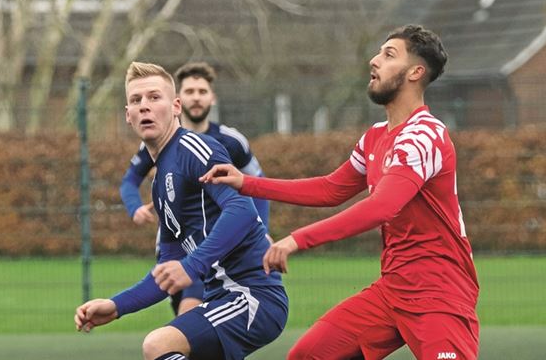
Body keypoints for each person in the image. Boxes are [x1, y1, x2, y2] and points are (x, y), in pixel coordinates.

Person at [201, 25, 480, 360]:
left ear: (415, 73)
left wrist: (297, 238)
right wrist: (247, 183)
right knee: (307, 355)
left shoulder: (424, 136)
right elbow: (331, 188)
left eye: (389, 55)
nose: (374, 61)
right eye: (378, 52)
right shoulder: (376, 137)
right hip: (393, 291)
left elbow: (381, 207)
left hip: (441, 294)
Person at [74, 62, 287, 360]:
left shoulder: (193, 148)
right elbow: (167, 271)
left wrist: (192, 266)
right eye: (136, 101)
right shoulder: (160, 186)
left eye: (154, 97)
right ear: (127, 115)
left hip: (251, 296)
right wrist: (116, 306)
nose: (145, 107)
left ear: (176, 107)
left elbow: (241, 208)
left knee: (159, 345)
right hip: (220, 297)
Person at [119, 61, 270, 316]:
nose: (196, 98)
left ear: (212, 97)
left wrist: (262, 229)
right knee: (186, 328)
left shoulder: (227, 141)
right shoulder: (156, 147)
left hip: (218, 253)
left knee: (182, 329)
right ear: (181, 99)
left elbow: (255, 188)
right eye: (190, 91)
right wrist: (115, 307)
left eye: (202, 91)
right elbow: (129, 181)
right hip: (183, 246)